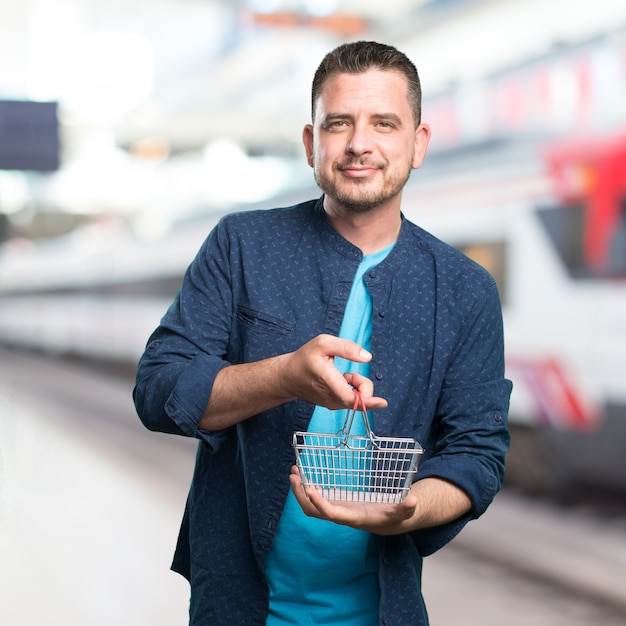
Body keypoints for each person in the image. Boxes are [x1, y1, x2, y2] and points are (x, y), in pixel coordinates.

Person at [133, 40, 512, 625]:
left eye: (384, 123)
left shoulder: (466, 291)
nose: (360, 143)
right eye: (339, 123)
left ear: (418, 144)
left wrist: (406, 509)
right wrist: (285, 376)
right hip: (235, 606)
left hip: (383, 610)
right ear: (312, 143)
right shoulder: (241, 246)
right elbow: (159, 391)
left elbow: (477, 455)